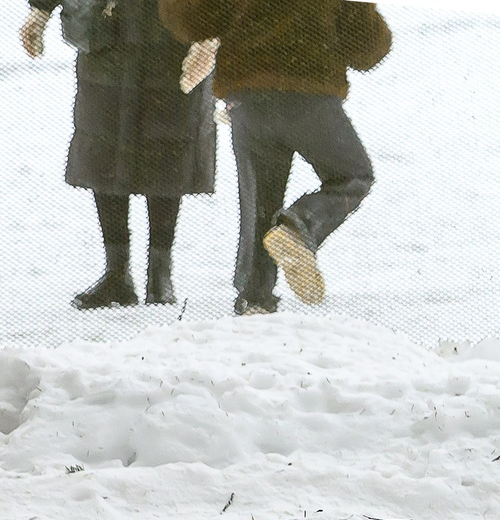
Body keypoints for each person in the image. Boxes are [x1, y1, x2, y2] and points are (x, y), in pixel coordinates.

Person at [160, 0, 389, 315]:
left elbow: (193, 20)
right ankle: (301, 226)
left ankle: (255, 299)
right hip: (310, 97)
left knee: (260, 205)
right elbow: (368, 49)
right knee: (352, 175)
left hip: (250, 101)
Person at [21, 0, 219, 308]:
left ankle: (160, 275)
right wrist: (40, 9)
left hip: (172, 36)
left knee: (167, 150)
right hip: (106, 34)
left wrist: (210, 35)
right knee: (105, 150)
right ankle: (116, 274)